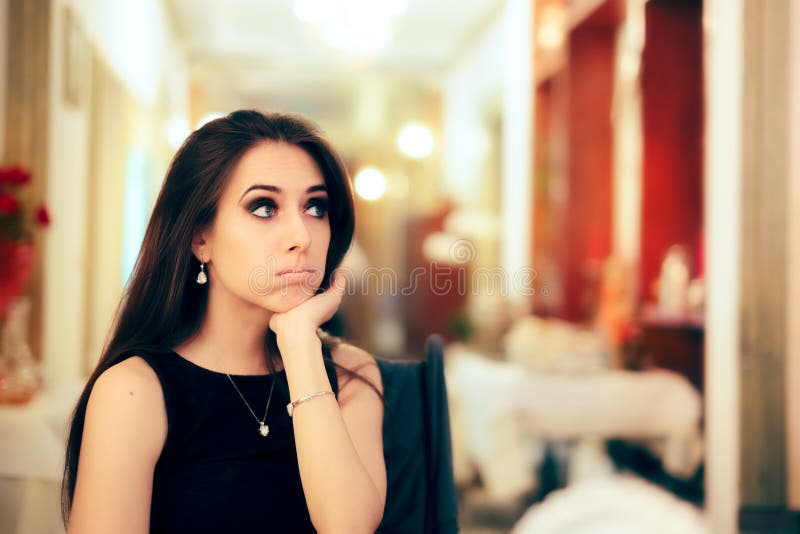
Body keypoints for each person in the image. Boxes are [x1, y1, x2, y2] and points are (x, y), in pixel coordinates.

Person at [61, 110, 387, 533]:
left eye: (315, 207)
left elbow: (348, 527)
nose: (302, 237)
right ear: (201, 238)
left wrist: (299, 342)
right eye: (265, 207)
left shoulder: (352, 376)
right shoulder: (133, 391)